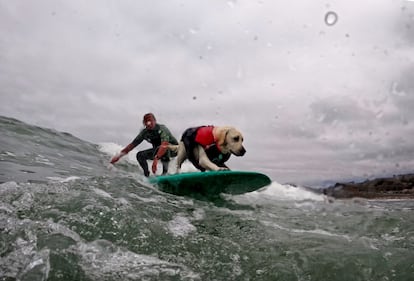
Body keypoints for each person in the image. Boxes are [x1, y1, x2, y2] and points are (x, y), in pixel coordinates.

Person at [110, 113, 178, 177]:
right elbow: (131, 145)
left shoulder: (162, 129)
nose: (149, 124)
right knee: (140, 155)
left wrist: (156, 159)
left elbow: (164, 144)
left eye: (151, 121)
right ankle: (146, 175)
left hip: (173, 150)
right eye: (146, 122)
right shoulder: (144, 133)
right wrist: (118, 156)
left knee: (165, 148)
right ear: (144, 123)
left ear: (155, 121)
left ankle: (164, 174)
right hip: (158, 151)